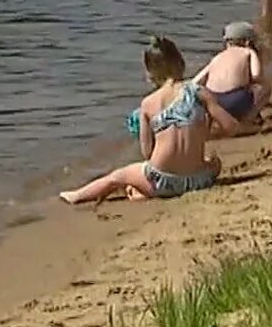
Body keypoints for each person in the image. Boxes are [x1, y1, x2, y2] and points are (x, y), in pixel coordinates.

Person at [61, 36, 220, 204]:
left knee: (117, 176)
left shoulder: (148, 103)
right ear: (180, 61)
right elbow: (230, 125)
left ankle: (77, 196)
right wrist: (202, 132)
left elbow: (148, 154)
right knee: (214, 163)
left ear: (151, 71)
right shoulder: (198, 92)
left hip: (161, 182)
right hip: (196, 181)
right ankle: (141, 191)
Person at [193, 21, 271, 135]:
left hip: (212, 103)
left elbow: (195, 81)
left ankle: (209, 125)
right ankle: (246, 123)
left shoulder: (217, 58)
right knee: (265, 88)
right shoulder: (248, 52)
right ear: (248, 42)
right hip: (234, 100)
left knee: (206, 94)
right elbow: (256, 75)